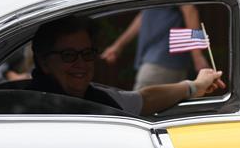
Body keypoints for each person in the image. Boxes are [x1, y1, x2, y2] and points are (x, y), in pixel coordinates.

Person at [30, 16, 224, 116]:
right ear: (44, 62)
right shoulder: (31, 107)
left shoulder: (99, 98)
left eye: (87, 54)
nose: (81, 63)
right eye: (68, 55)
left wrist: (195, 87)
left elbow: (144, 100)